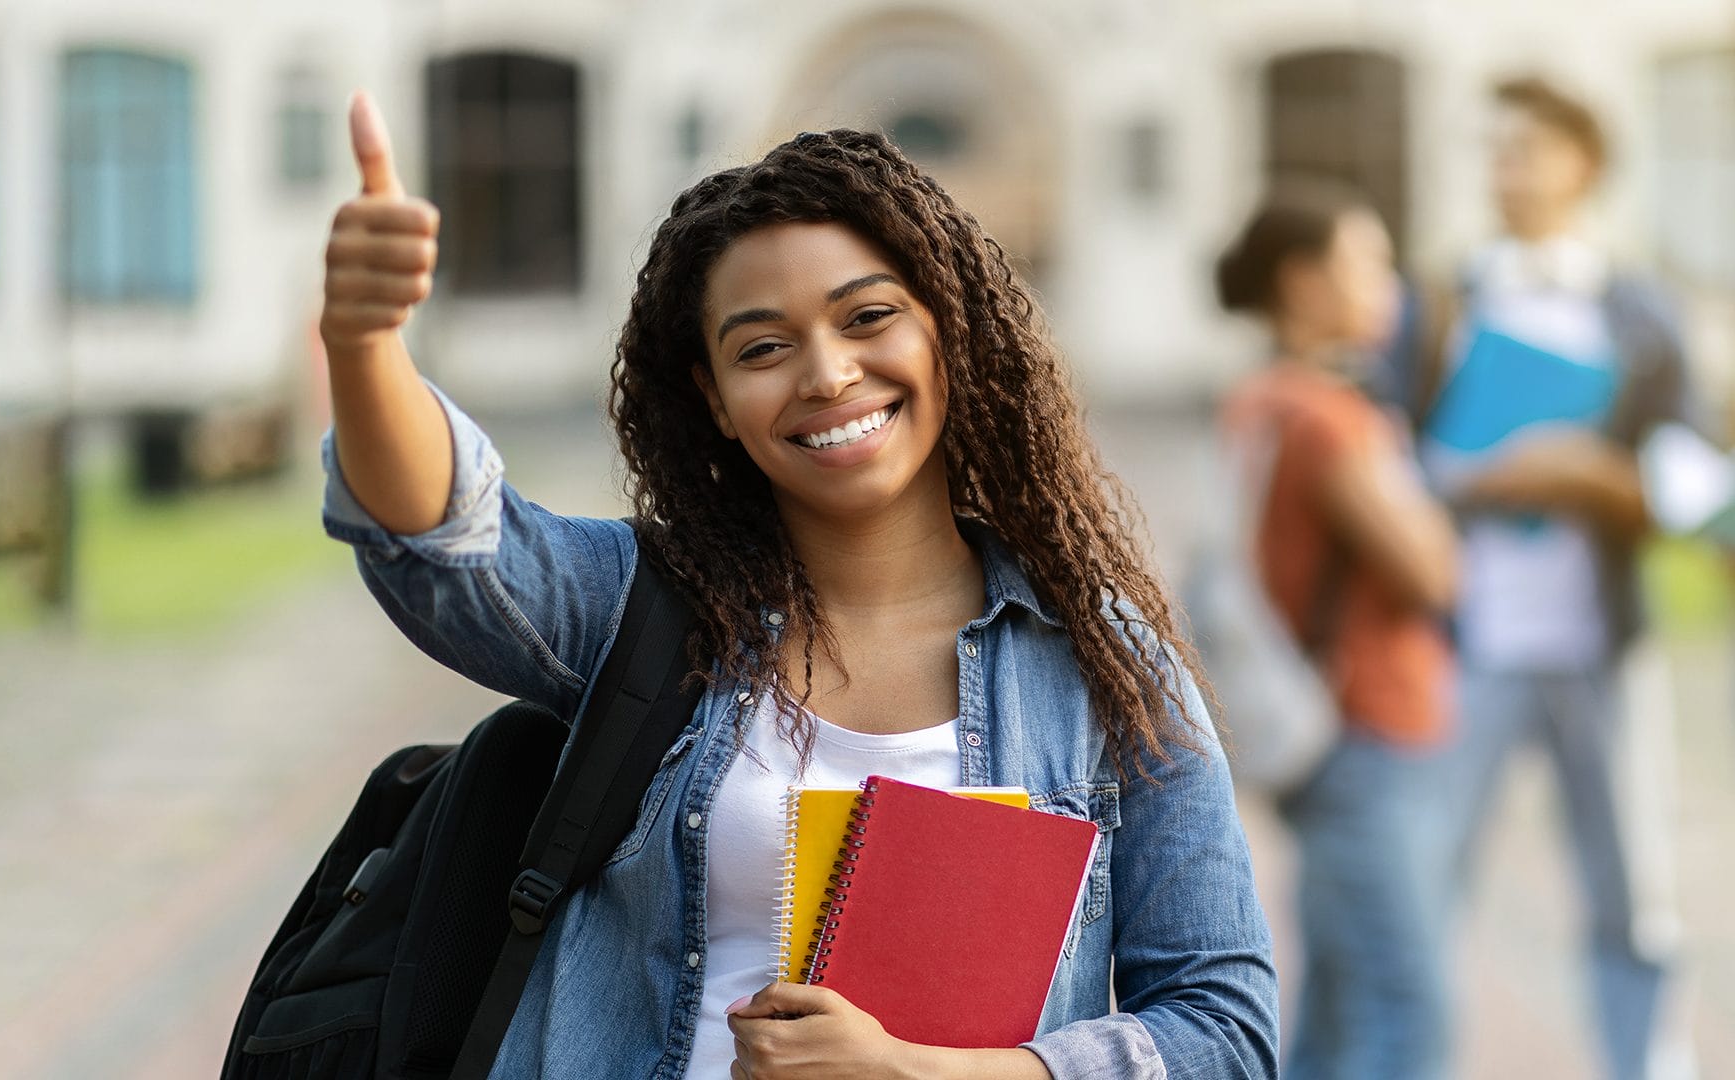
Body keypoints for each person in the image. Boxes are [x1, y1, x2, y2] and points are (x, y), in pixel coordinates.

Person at [317, 91, 1278, 1079]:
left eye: (868, 317)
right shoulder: (642, 609)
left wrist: (926, 1073)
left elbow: (1224, 1031)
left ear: (949, 331)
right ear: (716, 400)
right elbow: (446, 538)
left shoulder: (1106, 666)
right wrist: (364, 344)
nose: (825, 375)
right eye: (762, 347)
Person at [1396, 76, 1696, 1080]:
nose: (1505, 172)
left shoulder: (1637, 303)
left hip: (1599, 646)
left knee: (1631, 897)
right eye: (1494, 152)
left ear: (1585, 164)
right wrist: (1478, 479)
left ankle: (1649, 1065)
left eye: (1525, 150)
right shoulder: (1443, 299)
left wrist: (1597, 476)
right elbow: (1391, 457)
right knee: (1428, 885)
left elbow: (1695, 475)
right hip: (1467, 640)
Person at [1214, 183, 1460, 1080]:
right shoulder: (1328, 415)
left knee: (1342, 993)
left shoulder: (1258, 401)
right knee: (1407, 1004)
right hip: (1365, 725)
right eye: (1368, 263)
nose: (1388, 287)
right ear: (1302, 281)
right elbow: (1432, 572)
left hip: (1321, 721)